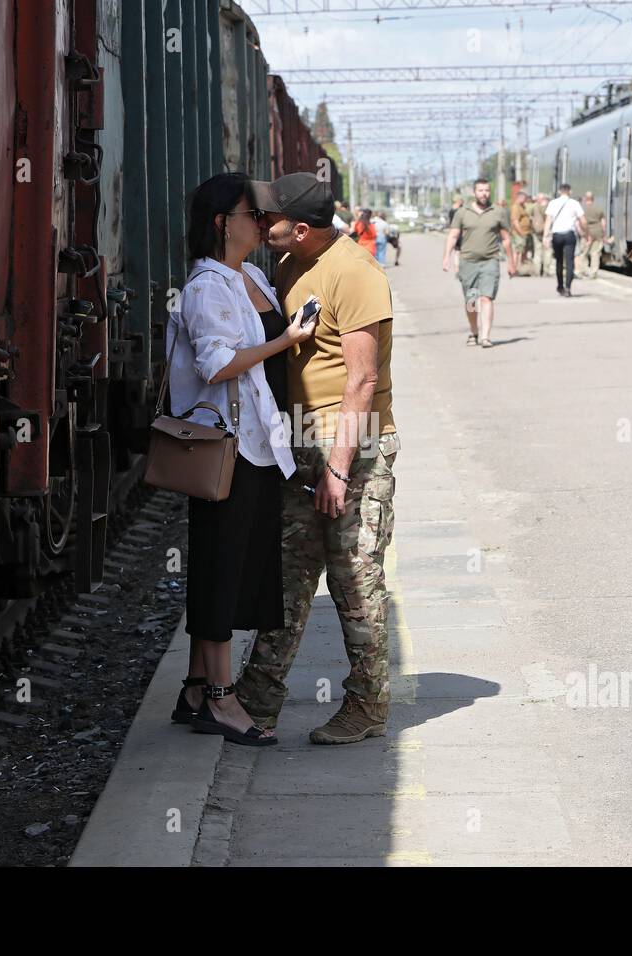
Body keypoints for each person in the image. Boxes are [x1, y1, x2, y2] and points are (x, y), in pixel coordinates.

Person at [237, 171, 400, 745]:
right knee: (290, 576)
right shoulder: (289, 265)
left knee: (354, 578)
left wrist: (337, 467)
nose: (261, 227)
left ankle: (367, 706)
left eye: (269, 220)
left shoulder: (356, 274)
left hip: (350, 447)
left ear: (299, 228)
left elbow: (362, 379)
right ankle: (257, 701)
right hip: (300, 441)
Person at [168, 172, 317, 746]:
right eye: (250, 214)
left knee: (233, 564)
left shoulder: (250, 274)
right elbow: (215, 365)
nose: (261, 223)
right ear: (219, 223)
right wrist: (286, 341)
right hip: (225, 445)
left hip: (258, 444)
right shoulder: (206, 286)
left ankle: (196, 688)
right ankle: (223, 701)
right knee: (220, 567)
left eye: (262, 216)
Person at [442, 178, 517, 347]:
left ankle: (485, 336)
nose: (484, 194)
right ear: (474, 192)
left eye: (487, 190)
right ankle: (474, 331)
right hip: (468, 261)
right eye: (481, 190)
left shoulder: (497, 212)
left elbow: (506, 239)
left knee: (486, 298)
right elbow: (453, 235)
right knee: (471, 301)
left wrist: (511, 263)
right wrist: (446, 257)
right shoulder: (463, 212)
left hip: (490, 261)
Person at [543, 183, 587, 297]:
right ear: (570, 191)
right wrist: (585, 233)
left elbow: (548, 221)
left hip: (557, 235)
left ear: (559, 191)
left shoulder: (553, 203)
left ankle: (560, 286)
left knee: (559, 261)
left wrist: (545, 236)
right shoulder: (575, 203)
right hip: (569, 235)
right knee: (570, 262)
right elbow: (583, 220)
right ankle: (568, 288)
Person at [578, 191, 609, 279]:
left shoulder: (582, 208)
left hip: (586, 232)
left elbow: (580, 222)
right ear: (593, 199)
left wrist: (582, 232)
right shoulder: (598, 208)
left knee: (584, 252)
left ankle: (584, 270)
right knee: (595, 253)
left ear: (585, 198)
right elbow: (603, 222)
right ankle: (594, 272)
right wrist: (603, 234)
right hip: (597, 231)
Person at [531, 193, 553, 278]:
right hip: (546, 232)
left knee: (537, 251)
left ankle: (537, 271)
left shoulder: (534, 206)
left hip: (536, 231)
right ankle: (545, 271)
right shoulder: (546, 207)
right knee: (547, 251)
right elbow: (548, 218)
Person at [511, 190, 534, 272]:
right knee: (517, 251)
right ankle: (513, 269)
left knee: (523, 251)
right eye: (525, 198)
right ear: (521, 197)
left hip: (525, 232)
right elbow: (515, 221)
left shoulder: (522, 206)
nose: (526, 200)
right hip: (519, 233)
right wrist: (521, 233)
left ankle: (522, 269)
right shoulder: (516, 207)